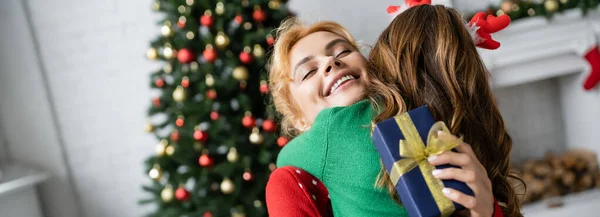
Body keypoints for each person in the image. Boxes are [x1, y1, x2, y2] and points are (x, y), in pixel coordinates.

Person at [266, 4, 521, 217]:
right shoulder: (317, 147)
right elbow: (285, 162)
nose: (331, 62)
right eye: (309, 71)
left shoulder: (415, 105)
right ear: (299, 121)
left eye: (344, 51)